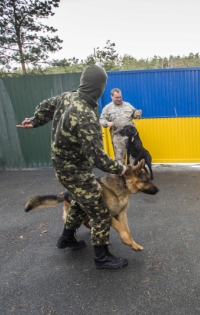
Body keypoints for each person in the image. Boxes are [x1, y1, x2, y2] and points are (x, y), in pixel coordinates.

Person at [17, 65, 129, 269]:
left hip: (63, 167)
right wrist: (119, 168)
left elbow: (44, 106)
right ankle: (102, 257)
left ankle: (66, 237)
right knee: (100, 211)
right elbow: (96, 156)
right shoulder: (85, 116)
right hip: (75, 172)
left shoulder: (67, 97)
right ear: (101, 87)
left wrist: (35, 121)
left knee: (78, 201)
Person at [99, 88, 142, 164]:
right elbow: (101, 120)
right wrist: (107, 123)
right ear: (111, 96)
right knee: (119, 159)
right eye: (117, 97)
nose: (119, 99)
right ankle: (121, 175)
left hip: (130, 137)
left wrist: (137, 113)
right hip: (118, 137)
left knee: (132, 158)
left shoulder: (128, 105)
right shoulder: (107, 108)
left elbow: (134, 114)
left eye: (120, 97)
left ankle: (132, 174)